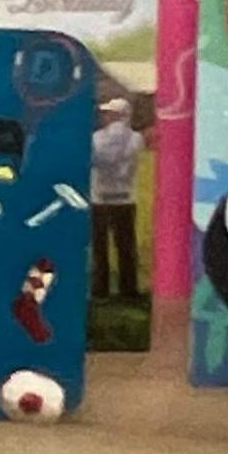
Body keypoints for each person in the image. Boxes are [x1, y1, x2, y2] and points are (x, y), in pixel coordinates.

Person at [91, 92, 144, 302]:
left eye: (109, 113)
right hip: (126, 198)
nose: (105, 117)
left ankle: (100, 289)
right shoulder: (136, 139)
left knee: (100, 247)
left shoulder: (97, 138)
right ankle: (128, 290)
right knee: (126, 247)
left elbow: (95, 160)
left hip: (100, 198)